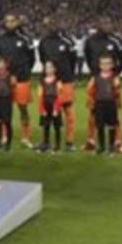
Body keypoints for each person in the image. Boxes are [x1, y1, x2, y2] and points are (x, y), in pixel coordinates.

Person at [83, 16, 122, 152]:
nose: (108, 25)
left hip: (110, 80)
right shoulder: (90, 41)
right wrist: (95, 73)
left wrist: (115, 73)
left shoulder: (115, 41)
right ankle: (91, 141)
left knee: (115, 112)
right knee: (92, 111)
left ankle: (117, 142)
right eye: (105, 23)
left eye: (109, 23)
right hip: (95, 80)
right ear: (99, 24)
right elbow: (88, 58)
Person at [38, 17, 79, 152]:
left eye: (55, 23)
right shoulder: (43, 42)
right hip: (49, 82)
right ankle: (45, 142)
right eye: (49, 24)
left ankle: (69, 142)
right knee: (46, 114)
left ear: (60, 25)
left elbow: (73, 61)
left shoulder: (68, 41)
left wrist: (70, 78)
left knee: (69, 113)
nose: (52, 26)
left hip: (65, 82)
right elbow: (44, 60)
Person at [0, 14, 35, 148]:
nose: (10, 23)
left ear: (17, 22)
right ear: (4, 23)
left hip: (21, 80)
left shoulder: (25, 38)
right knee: (5, 110)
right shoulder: (0, 39)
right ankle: (5, 136)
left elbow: (31, 59)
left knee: (23, 109)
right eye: (8, 21)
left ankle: (25, 137)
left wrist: (22, 73)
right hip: (4, 81)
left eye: (13, 21)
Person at [86, 54, 122, 155]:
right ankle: (101, 146)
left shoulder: (115, 78)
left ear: (112, 65)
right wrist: (91, 104)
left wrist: (118, 104)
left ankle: (111, 146)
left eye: (108, 64)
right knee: (100, 125)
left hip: (111, 104)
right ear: (100, 65)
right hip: (99, 104)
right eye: (103, 64)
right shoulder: (95, 78)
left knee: (112, 125)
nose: (105, 66)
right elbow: (90, 92)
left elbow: (118, 93)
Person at [37, 61, 66, 153]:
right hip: (45, 105)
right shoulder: (42, 81)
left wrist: (56, 109)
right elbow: (40, 96)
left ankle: (57, 146)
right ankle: (46, 144)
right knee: (46, 126)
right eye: (47, 68)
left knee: (56, 127)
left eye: (50, 67)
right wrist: (42, 109)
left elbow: (60, 95)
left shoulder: (58, 81)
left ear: (54, 69)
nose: (48, 69)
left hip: (55, 105)